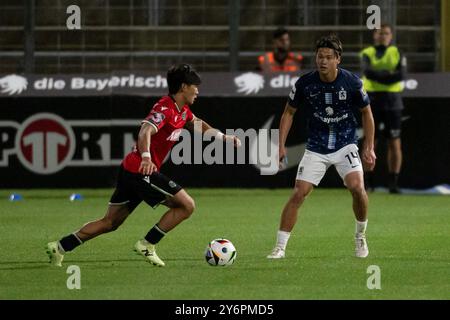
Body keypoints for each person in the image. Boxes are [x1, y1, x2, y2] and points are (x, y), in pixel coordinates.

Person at [46, 64, 241, 267]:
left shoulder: (182, 111)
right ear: (184, 87)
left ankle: (60, 247)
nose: (198, 90)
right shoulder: (164, 108)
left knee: (110, 223)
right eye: (194, 85)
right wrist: (147, 157)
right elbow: (145, 130)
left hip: (131, 169)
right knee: (187, 206)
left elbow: (198, 124)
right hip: (142, 170)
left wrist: (223, 137)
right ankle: (147, 244)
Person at [267, 34, 376, 259]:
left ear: (338, 59)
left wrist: (369, 146)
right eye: (319, 57)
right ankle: (279, 248)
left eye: (328, 57)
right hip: (316, 146)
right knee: (299, 193)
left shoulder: (352, 82)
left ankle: (360, 236)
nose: (322, 61)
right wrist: (281, 145)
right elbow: (288, 112)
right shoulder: (305, 83)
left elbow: (367, 113)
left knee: (357, 188)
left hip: (346, 144)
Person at [360, 24, 406, 193]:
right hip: (371, 101)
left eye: (386, 33)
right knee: (370, 142)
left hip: (393, 102)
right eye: (380, 33)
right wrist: (389, 75)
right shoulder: (367, 53)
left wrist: (381, 77)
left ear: (391, 36)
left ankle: (393, 183)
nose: (383, 36)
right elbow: (368, 72)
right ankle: (367, 182)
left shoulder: (397, 52)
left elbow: (401, 75)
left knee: (395, 142)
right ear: (374, 35)